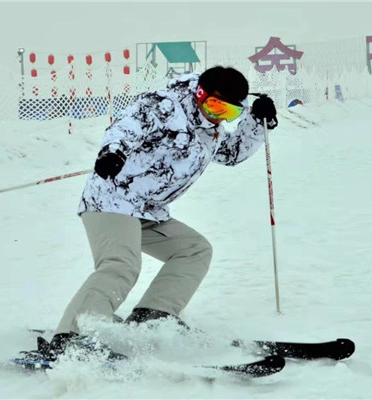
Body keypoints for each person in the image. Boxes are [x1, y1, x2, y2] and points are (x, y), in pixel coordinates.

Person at [34, 66, 278, 361]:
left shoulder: (210, 130)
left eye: (228, 113)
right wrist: (113, 152)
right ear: (201, 94)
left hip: (149, 211)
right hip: (113, 198)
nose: (217, 117)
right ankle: (72, 340)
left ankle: (152, 318)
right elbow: (126, 127)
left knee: (194, 250)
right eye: (215, 105)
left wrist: (254, 122)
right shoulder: (165, 105)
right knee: (120, 265)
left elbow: (232, 153)